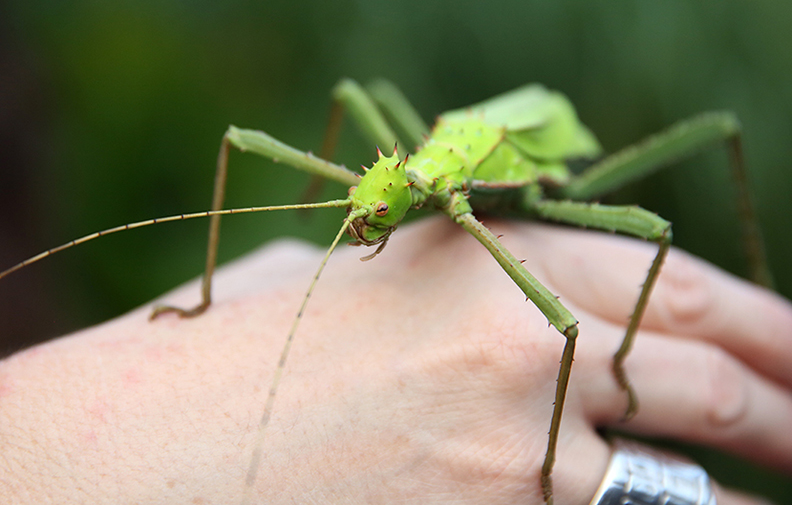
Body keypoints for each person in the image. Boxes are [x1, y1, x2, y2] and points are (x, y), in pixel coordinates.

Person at [1, 217, 790, 504]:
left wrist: (548, 474)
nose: (364, 229)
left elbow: (571, 333)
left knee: (644, 236)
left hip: (533, 165)